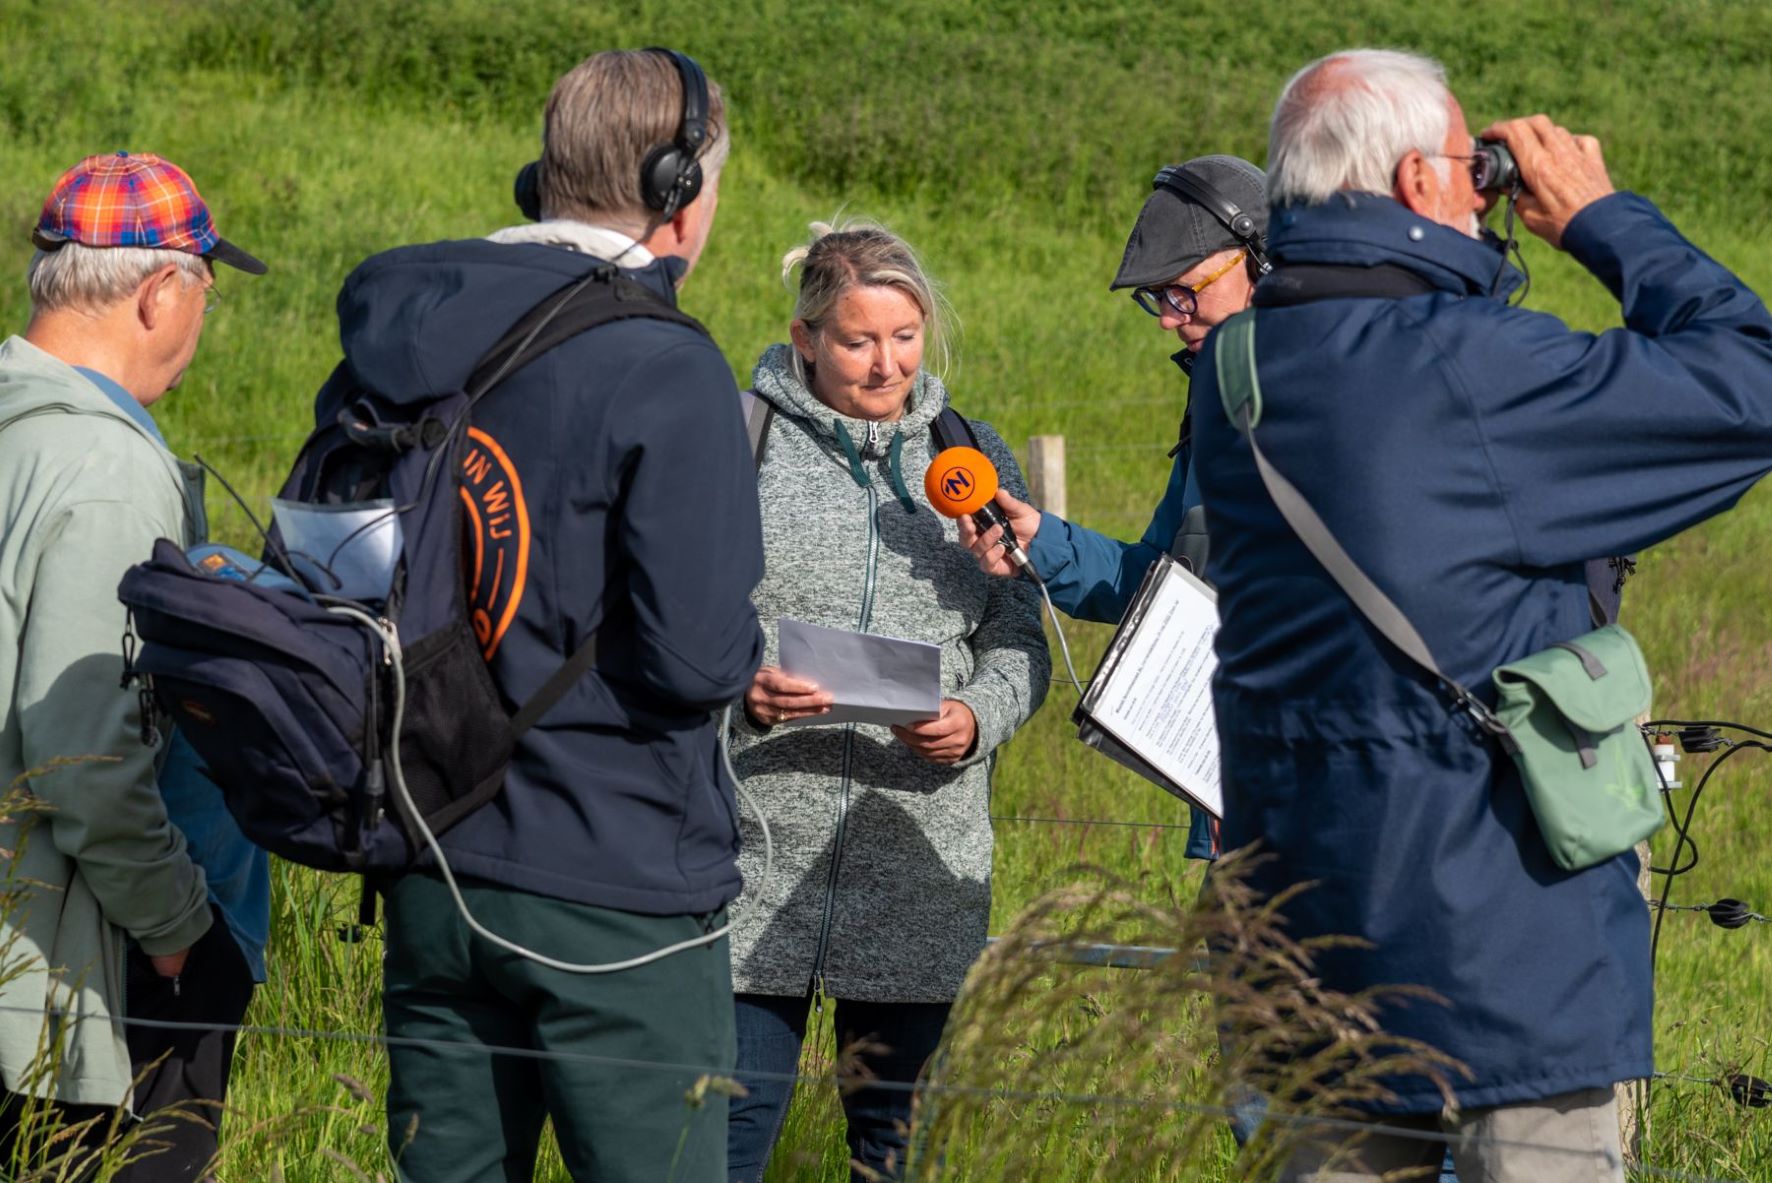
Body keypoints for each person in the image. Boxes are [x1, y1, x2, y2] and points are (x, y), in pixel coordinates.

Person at [1184, 48, 1772, 1179]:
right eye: (1469, 170)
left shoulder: (1237, 367)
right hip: (1501, 942)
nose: (1480, 191)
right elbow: (1749, 383)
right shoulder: (1471, 369)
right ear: (1415, 184)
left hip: (1304, 931)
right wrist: (1604, 221)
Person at [347, 50, 765, 1181]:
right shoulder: (663, 366)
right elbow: (696, 660)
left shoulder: (398, 343)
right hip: (614, 888)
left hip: (430, 864)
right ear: (681, 189)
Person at [724, 222, 1050, 1183]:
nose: (886, 363)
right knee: (720, 1148)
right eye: (860, 340)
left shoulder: (974, 459)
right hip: (753, 856)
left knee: (893, 1158)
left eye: (905, 337)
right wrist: (739, 690)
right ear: (805, 339)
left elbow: (1019, 633)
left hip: (920, 857)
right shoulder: (741, 444)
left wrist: (981, 717)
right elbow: (679, 622)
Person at [0, 152, 268, 1180]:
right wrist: (177, 930)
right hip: (74, 976)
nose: (202, 328)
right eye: (205, 293)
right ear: (162, 292)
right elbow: (84, 752)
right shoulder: (105, 467)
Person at [957, 154, 1268, 863]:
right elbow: (1159, 585)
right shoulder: (1216, 411)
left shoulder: (1356, 409)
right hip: (1237, 824)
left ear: (1263, 262)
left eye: (1184, 292)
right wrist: (1044, 542)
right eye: (1156, 298)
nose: (1167, 319)